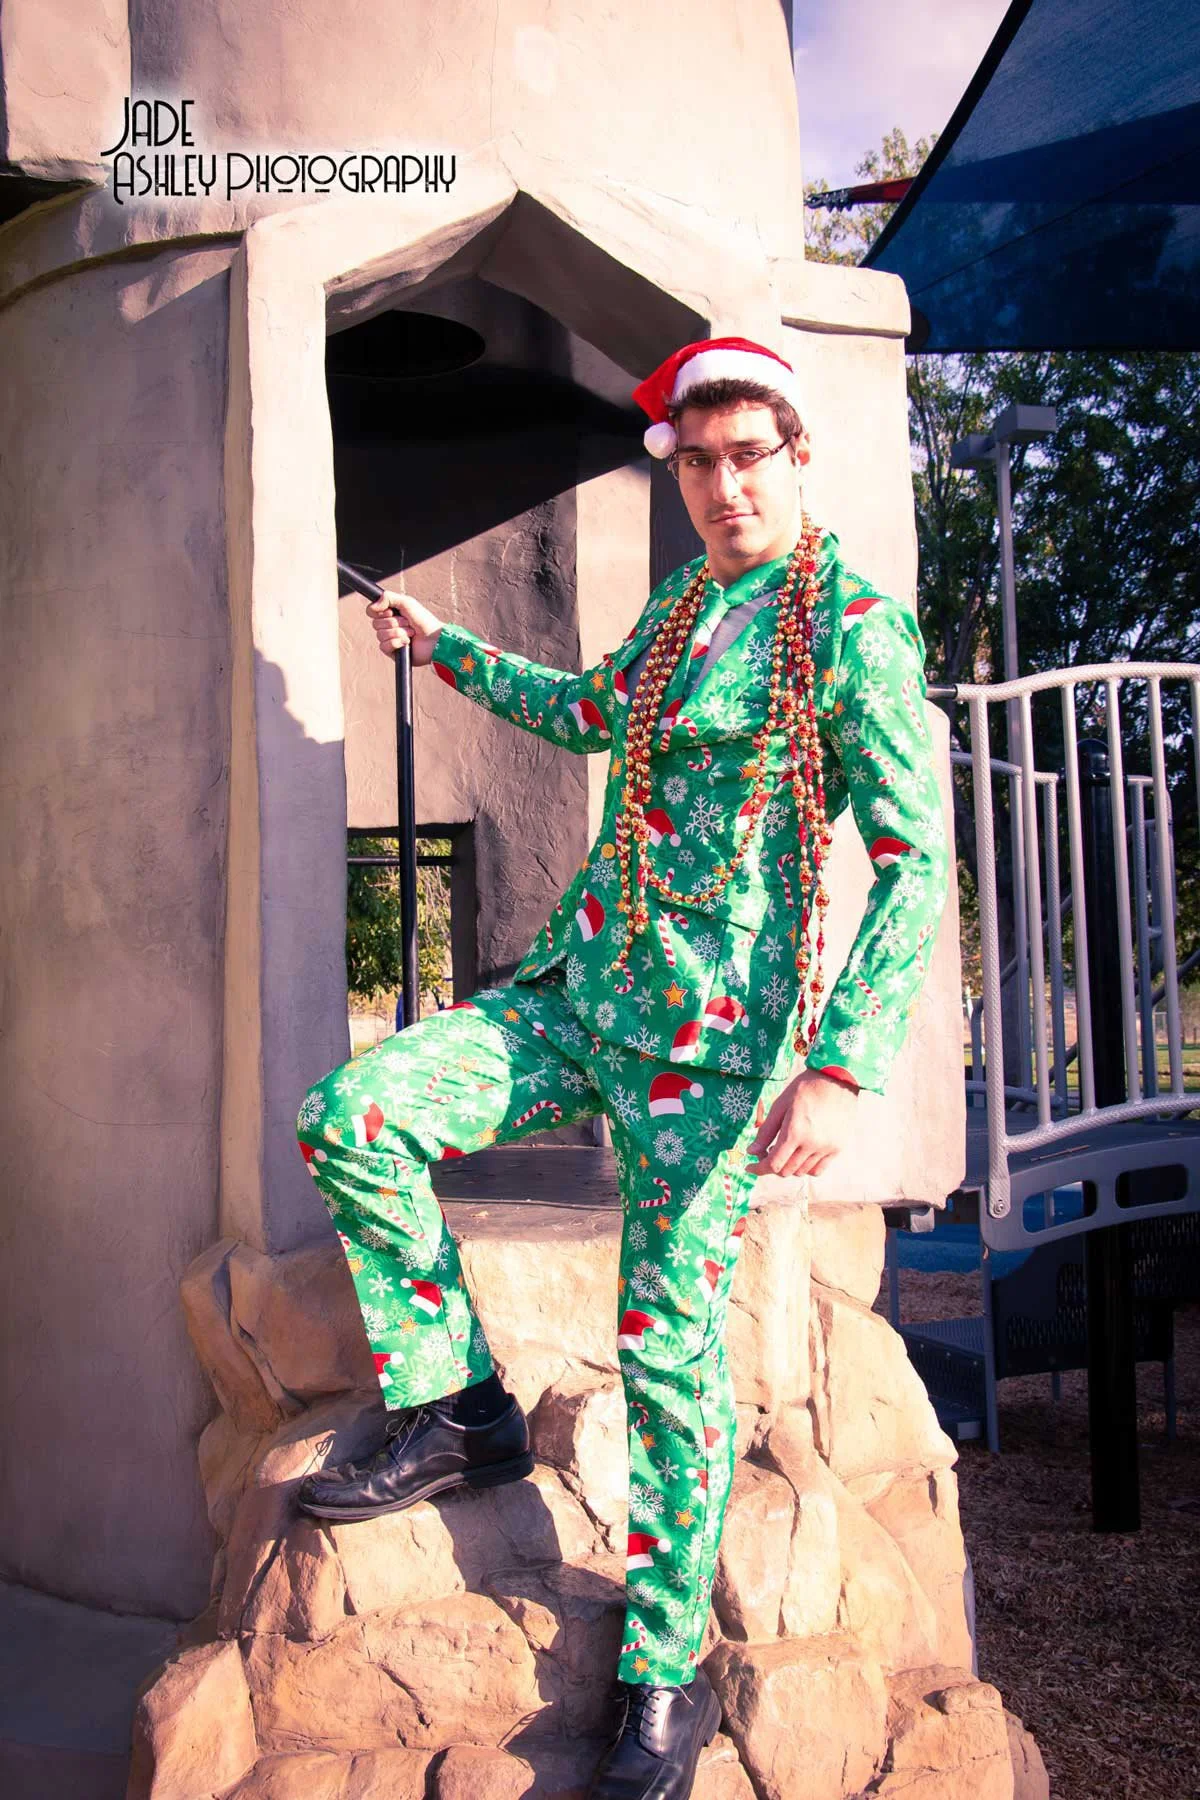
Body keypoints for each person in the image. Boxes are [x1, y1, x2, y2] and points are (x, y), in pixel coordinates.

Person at [295, 336, 949, 1800]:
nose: (723, 486)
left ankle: (663, 1682)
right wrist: (442, 647)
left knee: (666, 1350)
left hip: (712, 1053)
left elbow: (914, 864)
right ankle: (461, 1400)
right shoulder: (683, 609)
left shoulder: (850, 627)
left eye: (748, 458)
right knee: (355, 1112)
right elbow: (591, 711)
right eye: (699, 462)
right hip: (581, 992)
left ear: (795, 457)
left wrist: (841, 1065)